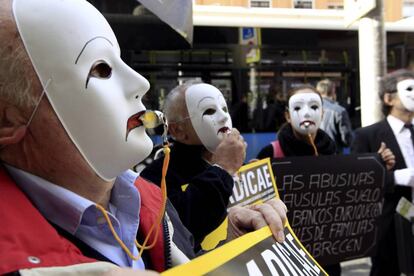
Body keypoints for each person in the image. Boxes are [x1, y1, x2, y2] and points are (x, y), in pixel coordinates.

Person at [0, 0, 288, 275]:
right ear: (7, 120)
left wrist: (233, 250)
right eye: (101, 69)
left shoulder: (147, 199)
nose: (141, 82)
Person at [256, 84, 395, 276]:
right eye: (297, 108)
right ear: (288, 115)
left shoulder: (330, 150)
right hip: (287, 254)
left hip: (327, 253)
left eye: (314, 107)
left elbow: (349, 190)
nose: (306, 113)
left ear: (322, 113)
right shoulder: (271, 152)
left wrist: (377, 166)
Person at [141, 81, 245, 250]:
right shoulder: (155, 178)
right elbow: (181, 229)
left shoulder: (235, 164)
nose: (224, 117)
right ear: (177, 131)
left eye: (224, 109)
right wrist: (223, 170)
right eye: (209, 111)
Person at [351, 69, 414, 276]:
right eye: (409, 89)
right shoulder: (367, 136)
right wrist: (396, 177)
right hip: (388, 225)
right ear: (389, 98)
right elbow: (357, 181)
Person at [316, 79, 353, 153]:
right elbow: (346, 139)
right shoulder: (339, 110)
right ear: (333, 91)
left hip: (314, 154)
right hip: (334, 155)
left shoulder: (311, 109)